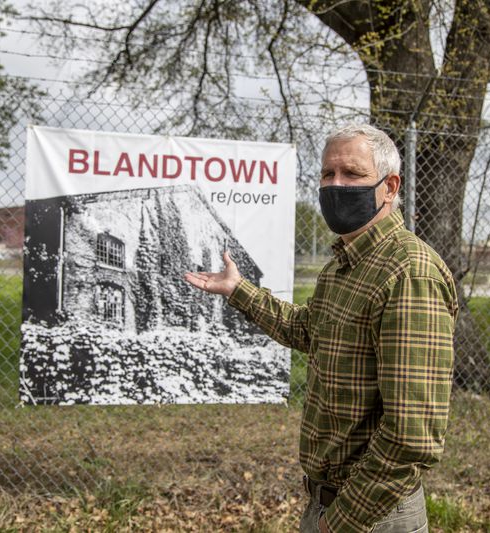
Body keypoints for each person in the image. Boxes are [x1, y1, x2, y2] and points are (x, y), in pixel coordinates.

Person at [184, 123, 458, 533]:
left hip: (371, 516)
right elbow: (307, 330)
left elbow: (410, 437)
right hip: (326, 503)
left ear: (390, 186)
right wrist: (238, 290)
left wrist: (342, 521)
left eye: (352, 174)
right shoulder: (343, 265)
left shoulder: (409, 273)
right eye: (328, 175)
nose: (336, 185)